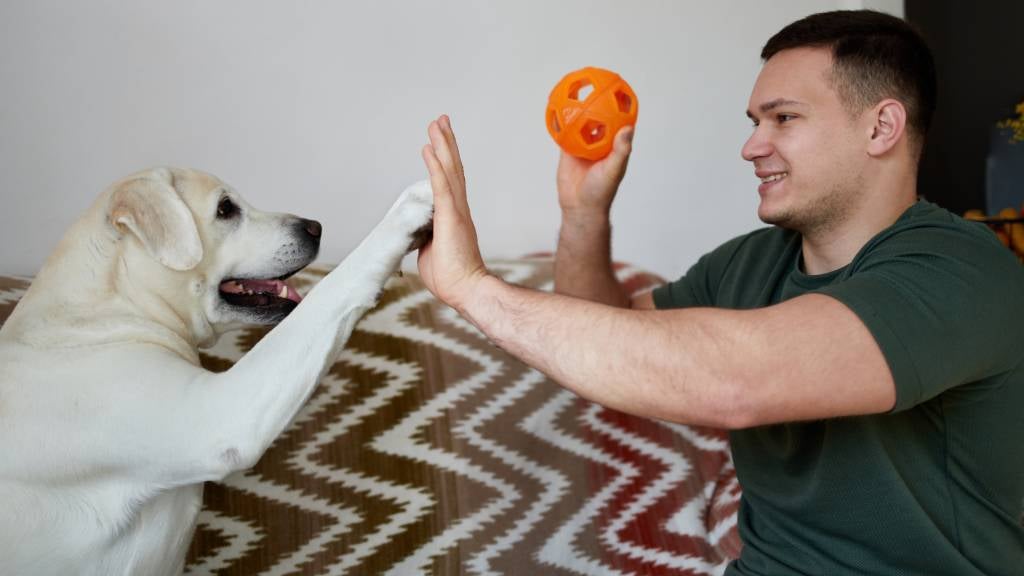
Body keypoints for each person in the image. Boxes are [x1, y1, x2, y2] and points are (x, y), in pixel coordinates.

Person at [417, 9, 1024, 576]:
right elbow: (607, 344)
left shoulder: (959, 271)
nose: (752, 146)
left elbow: (736, 380)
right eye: (755, 122)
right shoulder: (750, 263)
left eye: (783, 118)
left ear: (881, 127)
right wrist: (584, 213)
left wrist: (474, 289)